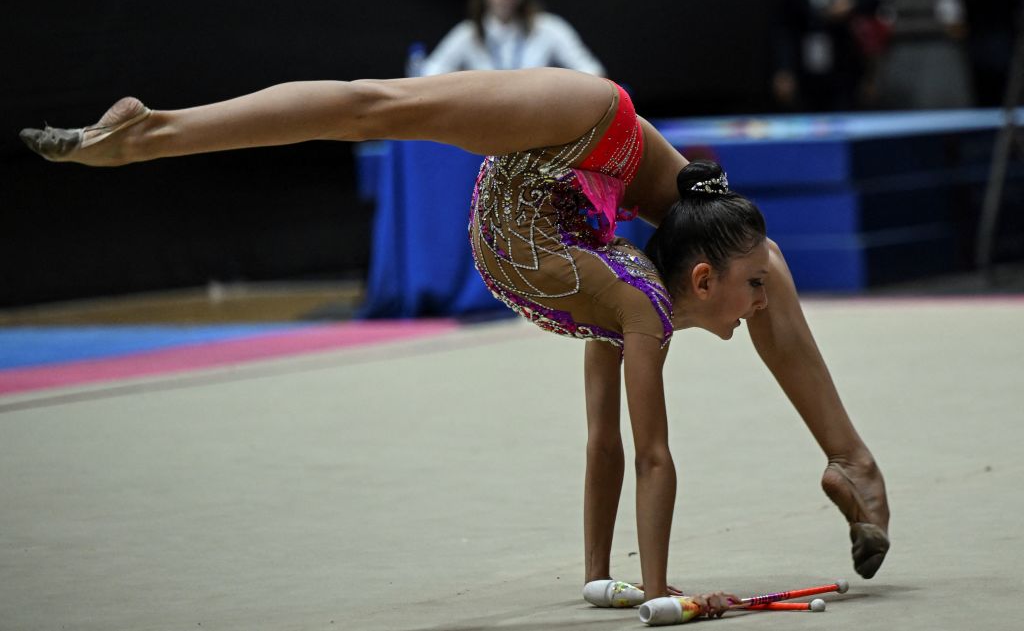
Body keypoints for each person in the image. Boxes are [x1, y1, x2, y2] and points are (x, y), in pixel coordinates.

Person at [20, 67, 890, 613]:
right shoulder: (633, 185)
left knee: (757, 259)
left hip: (574, 194)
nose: (745, 318)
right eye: (744, 300)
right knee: (374, 107)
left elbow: (733, 268)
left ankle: (852, 462)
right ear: (702, 276)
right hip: (585, 123)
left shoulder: (663, 255)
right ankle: (152, 133)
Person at [418, 0, 604, 77]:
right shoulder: (467, 34)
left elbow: (593, 72)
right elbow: (428, 74)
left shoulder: (550, 28)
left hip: (539, 121)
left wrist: (558, 86)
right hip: (485, 125)